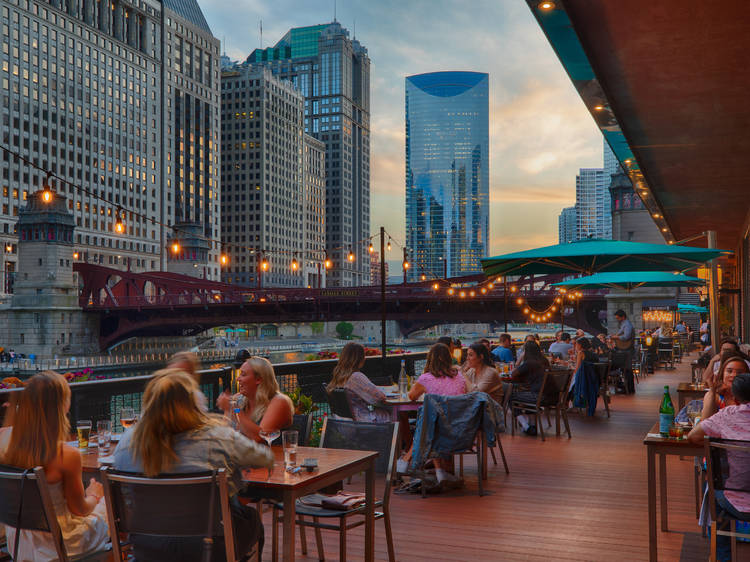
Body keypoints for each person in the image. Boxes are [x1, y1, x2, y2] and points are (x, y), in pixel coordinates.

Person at [113, 369, 273, 561]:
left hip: (147, 547)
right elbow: (265, 459)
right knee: (252, 520)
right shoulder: (217, 436)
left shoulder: (127, 442)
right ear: (192, 403)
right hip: (210, 547)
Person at [0, 371, 109, 560]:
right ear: (63, 406)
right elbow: (80, 509)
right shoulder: (65, 454)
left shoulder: (3, 438)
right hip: (61, 546)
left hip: (19, 542)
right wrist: (94, 494)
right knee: (109, 503)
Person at [687, 373, 750, 562]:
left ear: (735, 398)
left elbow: (693, 437)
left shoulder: (726, 416)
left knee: (713, 489)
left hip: (733, 501)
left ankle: (722, 556)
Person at [401, 343, 467, 483]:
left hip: (437, 431)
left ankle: (406, 460)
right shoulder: (460, 377)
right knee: (432, 419)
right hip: (461, 428)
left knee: (429, 421)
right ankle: (439, 471)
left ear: (430, 358)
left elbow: (411, 396)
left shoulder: (426, 378)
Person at [217, 356, 294, 443]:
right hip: (246, 455)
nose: (238, 379)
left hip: (275, 455)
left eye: (243, 374)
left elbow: (260, 437)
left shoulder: (279, 402)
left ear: (258, 379)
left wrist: (234, 409)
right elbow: (223, 434)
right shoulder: (238, 399)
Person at [326, 342, 390, 423]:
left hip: (343, 424)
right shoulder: (356, 377)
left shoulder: (338, 376)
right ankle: (402, 435)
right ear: (359, 359)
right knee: (396, 414)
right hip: (362, 423)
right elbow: (380, 397)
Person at [508, 341, 550, 436]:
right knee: (526, 394)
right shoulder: (544, 360)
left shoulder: (529, 363)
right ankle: (532, 426)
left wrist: (520, 358)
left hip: (538, 396)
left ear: (526, 351)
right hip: (549, 396)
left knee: (510, 396)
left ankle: (525, 425)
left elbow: (513, 374)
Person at [701, 355, 750, 420]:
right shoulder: (714, 395)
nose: (734, 375)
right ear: (722, 374)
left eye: (739, 372)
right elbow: (705, 421)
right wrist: (712, 390)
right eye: (729, 371)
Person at [610, 309, 635, 393]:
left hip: (627, 350)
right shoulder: (624, 324)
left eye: (618, 318)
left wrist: (616, 337)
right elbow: (620, 333)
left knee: (627, 369)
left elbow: (626, 337)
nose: (617, 319)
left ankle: (629, 389)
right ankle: (626, 387)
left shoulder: (627, 325)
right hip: (625, 349)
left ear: (623, 317)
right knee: (625, 369)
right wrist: (615, 336)